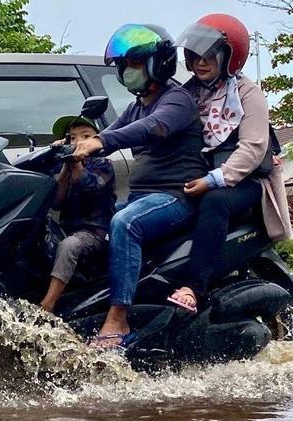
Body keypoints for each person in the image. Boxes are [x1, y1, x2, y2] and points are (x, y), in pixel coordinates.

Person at [71, 24, 210, 348]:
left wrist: (101, 141)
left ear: (157, 63)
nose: (127, 71)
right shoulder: (138, 105)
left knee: (124, 222)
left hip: (176, 196)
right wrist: (67, 149)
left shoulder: (177, 99)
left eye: (135, 63)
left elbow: (150, 128)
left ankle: (118, 320)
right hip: (141, 196)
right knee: (88, 223)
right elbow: (110, 134)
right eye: (124, 66)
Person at [168, 14, 293, 312]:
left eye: (210, 55)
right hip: (198, 174)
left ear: (230, 57)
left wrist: (213, 180)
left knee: (215, 202)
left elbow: (253, 149)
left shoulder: (248, 95)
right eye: (195, 55)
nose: (201, 62)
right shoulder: (190, 92)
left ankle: (193, 287)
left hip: (247, 181)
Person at [40, 115, 116, 313]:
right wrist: (63, 162)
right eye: (72, 137)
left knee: (69, 246)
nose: (78, 142)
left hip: (94, 233)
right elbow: (56, 202)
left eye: (85, 136)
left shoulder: (102, 165)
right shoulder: (65, 166)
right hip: (68, 228)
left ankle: (47, 304)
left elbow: (90, 187)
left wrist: (77, 162)